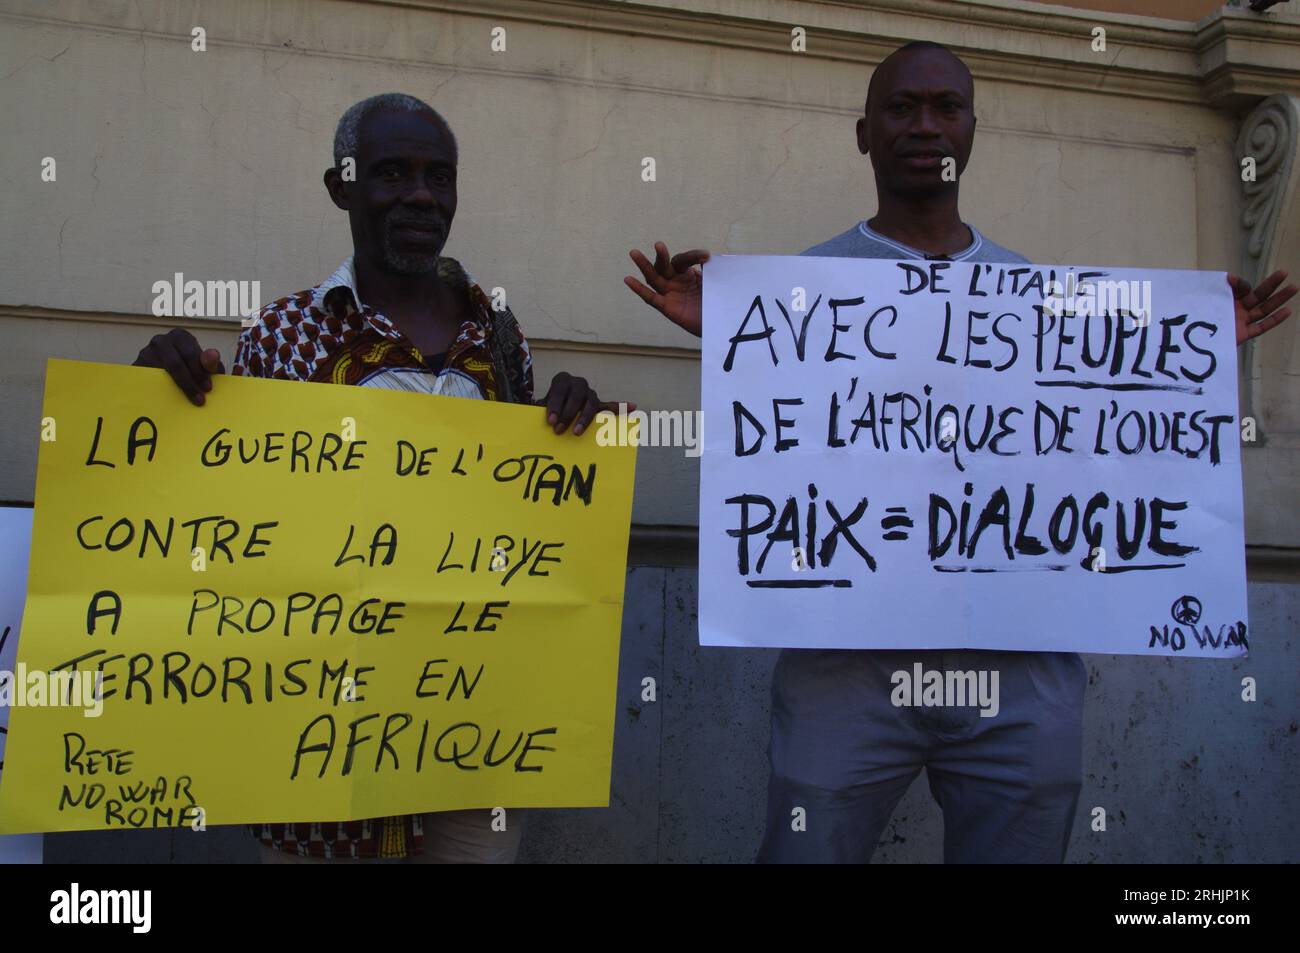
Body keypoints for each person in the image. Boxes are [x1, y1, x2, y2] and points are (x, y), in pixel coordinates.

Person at [625, 41, 1296, 863]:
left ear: (973, 130)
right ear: (864, 133)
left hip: (1022, 667)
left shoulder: (1043, 301)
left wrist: (1187, 344)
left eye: (947, 107)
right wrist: (726, 324)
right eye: (902, 108)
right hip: (847, 666)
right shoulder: (796, 293)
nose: (925, 125)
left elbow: (1103, 448)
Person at [135, 93, 620, 863]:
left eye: (439, 176)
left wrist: (573, 424)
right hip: (317, 735)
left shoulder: (497, 337)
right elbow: (221, 514)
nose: (421, 194)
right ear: (343, 187)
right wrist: (156, 403)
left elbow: (525, 517)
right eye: (392, 173)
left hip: (471, 736)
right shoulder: (285, 333)